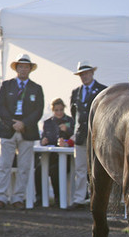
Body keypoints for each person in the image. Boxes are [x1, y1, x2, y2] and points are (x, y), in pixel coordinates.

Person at [0, 54, 44, 210]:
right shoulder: (6, 85)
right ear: (16, 68)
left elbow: (38, 110)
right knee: (4, 165)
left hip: (27, 131)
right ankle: (1, 197)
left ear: (30, 69)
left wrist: (24, 123)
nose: (23, 69)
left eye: (26, 67)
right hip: (7, 129)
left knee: (24, 166)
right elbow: (0, 107)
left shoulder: (36, 88)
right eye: (20, 66)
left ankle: (18, 197)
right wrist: (12, 123)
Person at [69, 61, 106, 209]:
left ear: (92, 73)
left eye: (86, 73)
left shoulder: (102, 90)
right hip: (81, 135)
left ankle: (98, 199)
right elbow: (74, 113)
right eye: (82, 74)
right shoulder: (75, 92)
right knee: (80, 168)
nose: (84, 76)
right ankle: (79, 198)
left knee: (98, 168)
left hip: (97, 135)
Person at [36, 98, 74, 205]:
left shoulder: (70, 121)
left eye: (61, 110)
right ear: (53, 110)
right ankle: (40, 196)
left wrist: (67, 131)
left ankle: (58, 197)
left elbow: (75, 136)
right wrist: (43, 141)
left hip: (66, 158)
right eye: (56, 110)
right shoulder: (47, 123)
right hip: (50, 155)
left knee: (54, 171)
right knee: (38, 170)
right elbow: (43, 137)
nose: (59, 112)